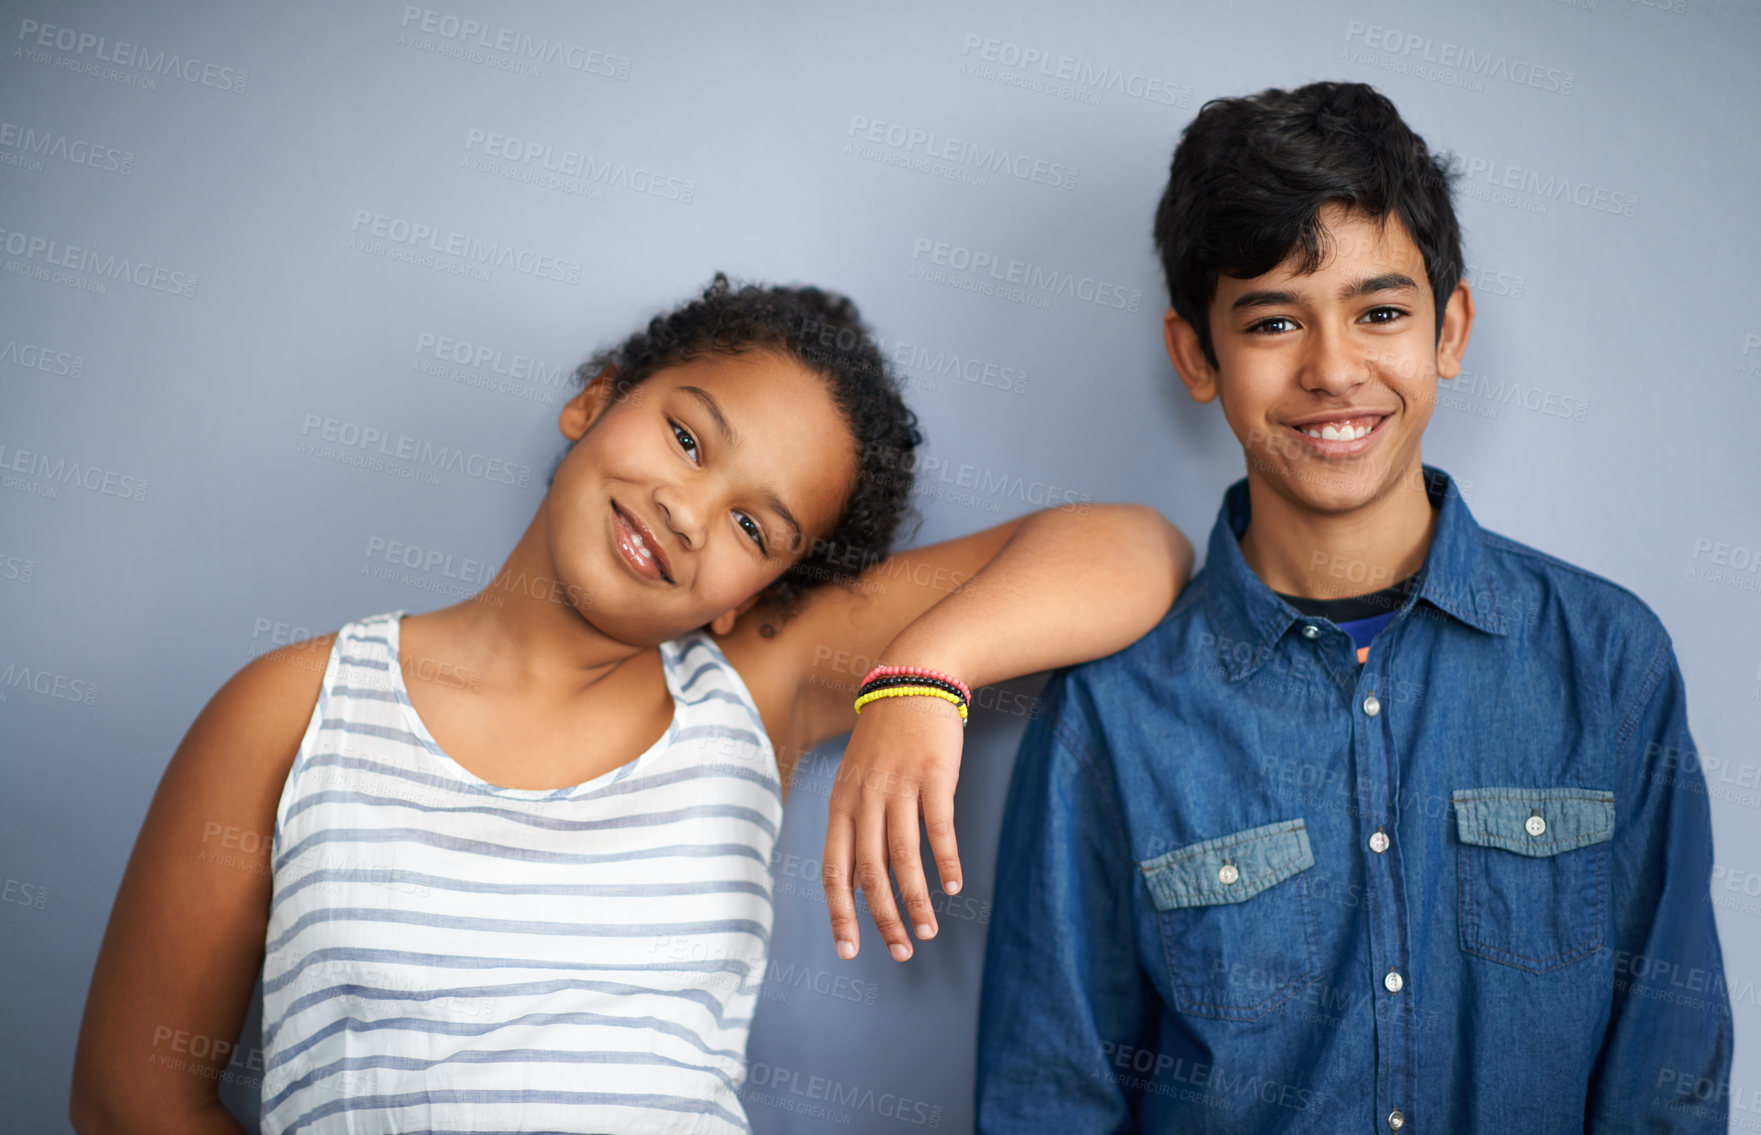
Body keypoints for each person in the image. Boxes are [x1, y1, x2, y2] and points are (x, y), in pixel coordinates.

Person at [68, 274, 1194, 1135]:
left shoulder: (751, 689)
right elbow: (127, 1093)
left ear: (756, 593)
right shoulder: (294, 707)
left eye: (757, 527)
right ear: (594, 400)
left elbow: (1137, 550)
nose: (690, 509)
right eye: (687, 437)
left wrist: (925, 668)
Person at [975, 81, 1732, 1133]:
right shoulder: (1114, 713)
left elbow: (1668, 1080)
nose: (1334, 370)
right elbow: (1049, 1098)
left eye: (1380, 312)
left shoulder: (1608, 661)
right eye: (1276, 320)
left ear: (1449, 329)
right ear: (1199, 355)